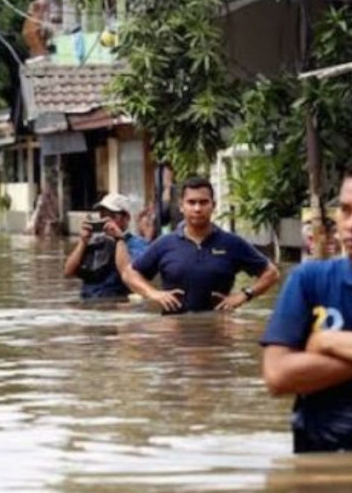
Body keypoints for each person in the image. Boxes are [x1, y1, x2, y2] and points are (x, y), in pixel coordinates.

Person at [261, 169, 352, 453]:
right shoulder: (310, 280)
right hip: (320, 456)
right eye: (346, 210)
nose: (349, 224)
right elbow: (278, 376)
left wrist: (326, 341)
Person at [119, 176, 279, 314]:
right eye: (191, 202)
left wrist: (244, 295)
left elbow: (271, 273)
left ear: (213, 205)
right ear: (182, 206)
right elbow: (129, 274)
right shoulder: (165, 243)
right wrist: (154, 294)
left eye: (203, 202)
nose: (197, 208)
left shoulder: (231, 243)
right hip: (173, 334)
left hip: (218, 330)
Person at [64, 193, 148, 300]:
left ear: (126, 218)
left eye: (112, 217)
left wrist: (119, 239)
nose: (106, 222)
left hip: (113, 300)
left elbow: (131, 272)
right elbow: (68, 272)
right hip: (88, 301)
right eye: (102, 216)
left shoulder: (137, 244)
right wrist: (82, 242)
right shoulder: (96, 243)